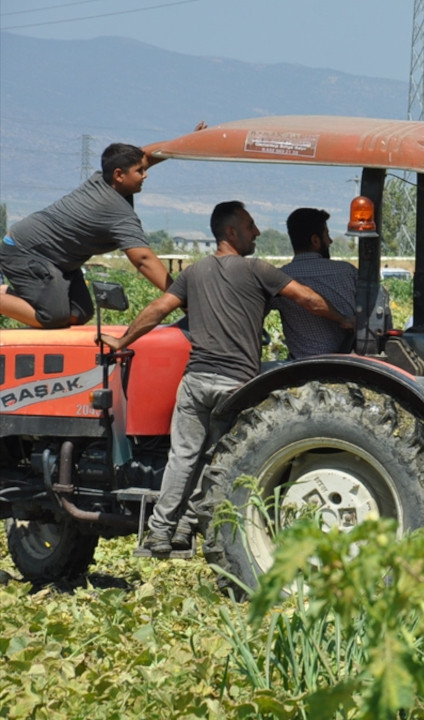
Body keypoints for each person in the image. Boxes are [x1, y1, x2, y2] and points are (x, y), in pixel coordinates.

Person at [100, 201, 353, 554]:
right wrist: (344, 320)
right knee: (214, 459)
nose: (258, 233)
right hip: (236, 385)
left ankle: (162, 531)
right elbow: (308, 299)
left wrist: (121, 340)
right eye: (251, 226)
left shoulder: (193, 273)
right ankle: (186, 526)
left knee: (183, 457)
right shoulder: (259, 271)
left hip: (196, 382)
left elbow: (158, 310)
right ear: (231, 232)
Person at [0, 143, 172, 328]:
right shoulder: (115, 211)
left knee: (79, 314)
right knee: (52, 316)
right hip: (24, 251)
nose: (145, 174)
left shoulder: (103, 179)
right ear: (119, 175)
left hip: (59, 260)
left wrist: (183, 144)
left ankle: (7, 293)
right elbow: (143, 259)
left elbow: (144, 155)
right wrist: (178, 294)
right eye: (140, 171)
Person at [273, 207, 357, 358]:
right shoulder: (348, 272)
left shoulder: (279, 280)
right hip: (348, 363)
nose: (330, 241)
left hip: (301, 368)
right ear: (315, 240)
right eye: (327, 235)